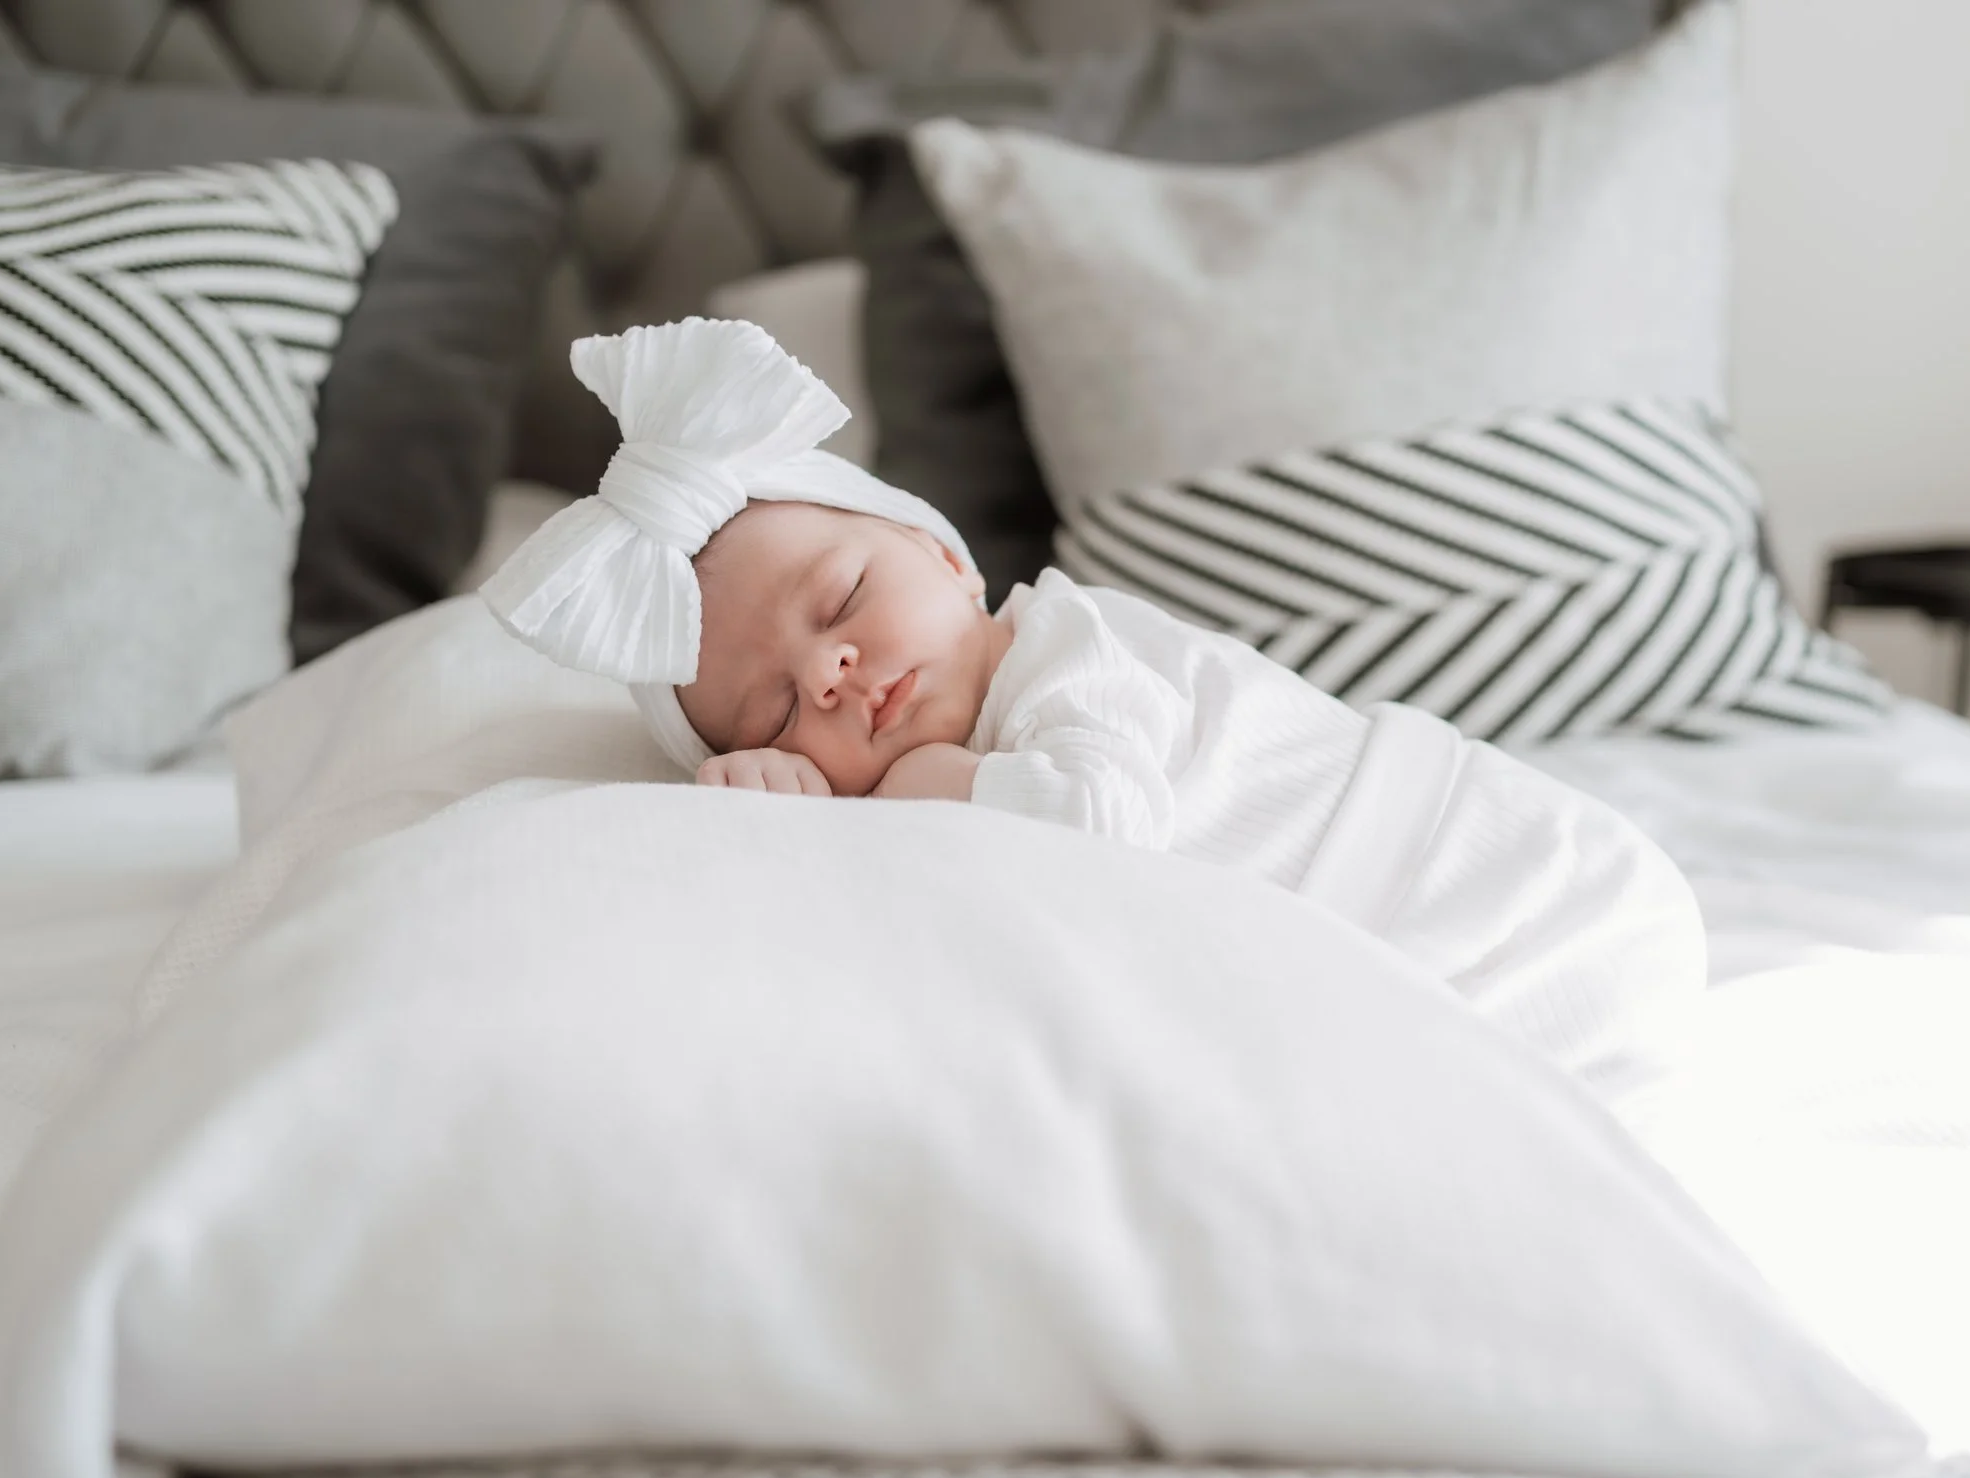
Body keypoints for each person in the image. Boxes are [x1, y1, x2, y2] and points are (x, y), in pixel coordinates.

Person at [485, 318, 1704, 1092]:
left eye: (844, 595)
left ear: (948, 557)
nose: (829, 674)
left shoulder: (1067, 650)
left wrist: (903, 791)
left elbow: (1101, 821)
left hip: (1512, 886)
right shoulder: (950, 793)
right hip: (1387, 957)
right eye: (768, 711)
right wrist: (786, 817)